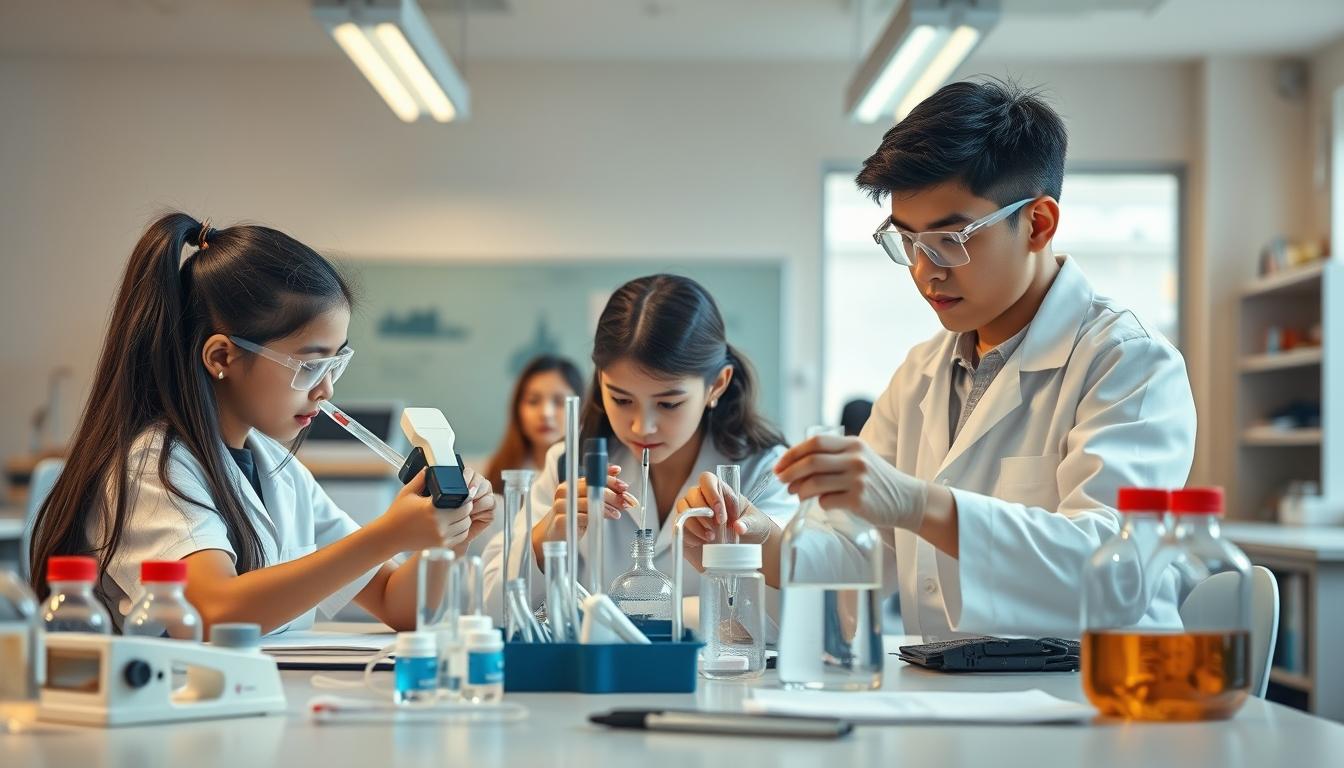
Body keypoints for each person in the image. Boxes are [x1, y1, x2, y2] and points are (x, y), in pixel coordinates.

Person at [683, 80, 1196, 640]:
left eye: (950, 239)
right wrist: (760, 539)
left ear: (1039, 223)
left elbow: (1116, 575)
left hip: (1097, 695)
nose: (926, 271)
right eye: (907, 242)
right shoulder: (923, 372)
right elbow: (857, 554)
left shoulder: (1129, 364)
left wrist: (920, 505)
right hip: (959, 692)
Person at [28, 212, 495, 635]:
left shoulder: (279, 470)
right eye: (309, 365)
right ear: (222, 357)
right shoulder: (155, 467)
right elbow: (216, 612)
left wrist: (449, 533)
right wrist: (386, 535)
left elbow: (399, 605)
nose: (326, 389)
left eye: (336, 363)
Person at [483, 274, 792, 620]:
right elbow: (495, 610)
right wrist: (545, 539)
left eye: (668, 404)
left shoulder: (764, 470)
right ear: (600, 380)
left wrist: (742, 553)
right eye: (621, 398)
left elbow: (794, 619)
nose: (640, 426)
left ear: (716, 386)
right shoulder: (568, 464)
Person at [471, 355, 583, 556]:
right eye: (533, 401)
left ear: (579, 408)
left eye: (558, 402)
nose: (546, 413)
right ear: (518, 409)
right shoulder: (488, 474)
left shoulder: (584, 477)